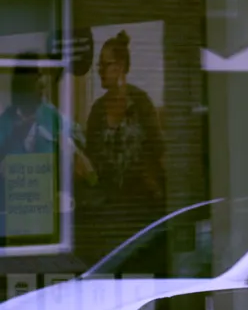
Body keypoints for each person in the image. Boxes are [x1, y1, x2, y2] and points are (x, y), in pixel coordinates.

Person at [0, 53, 94, 243]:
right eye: (37, 79)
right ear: (22, 85)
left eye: (42, 79)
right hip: (16, 217)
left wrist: (72, 147)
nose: (42, 86)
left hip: (48, 216)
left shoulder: (50, 115)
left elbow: (78, 140)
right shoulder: (5, 123)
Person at [85, 31, 166, 239]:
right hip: (108, 209)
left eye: (105, 65)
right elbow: (90, 158)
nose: (100, 71)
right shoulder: (97, 110)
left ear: (120, 67)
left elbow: (157, 149)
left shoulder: (141, 103)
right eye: (99, 66)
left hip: (141, 207)